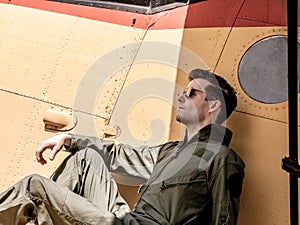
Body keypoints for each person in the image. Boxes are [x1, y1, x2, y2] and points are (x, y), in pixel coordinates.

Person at [0, 69, 245, 225]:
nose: (181, 97)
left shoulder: (222, 158)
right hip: (127, 220)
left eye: (191, 93)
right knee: (86, 157)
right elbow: (118, 154)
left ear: (213, 106)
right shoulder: (170, 151)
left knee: (35, 186)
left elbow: (223, 220)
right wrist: (70, 140)